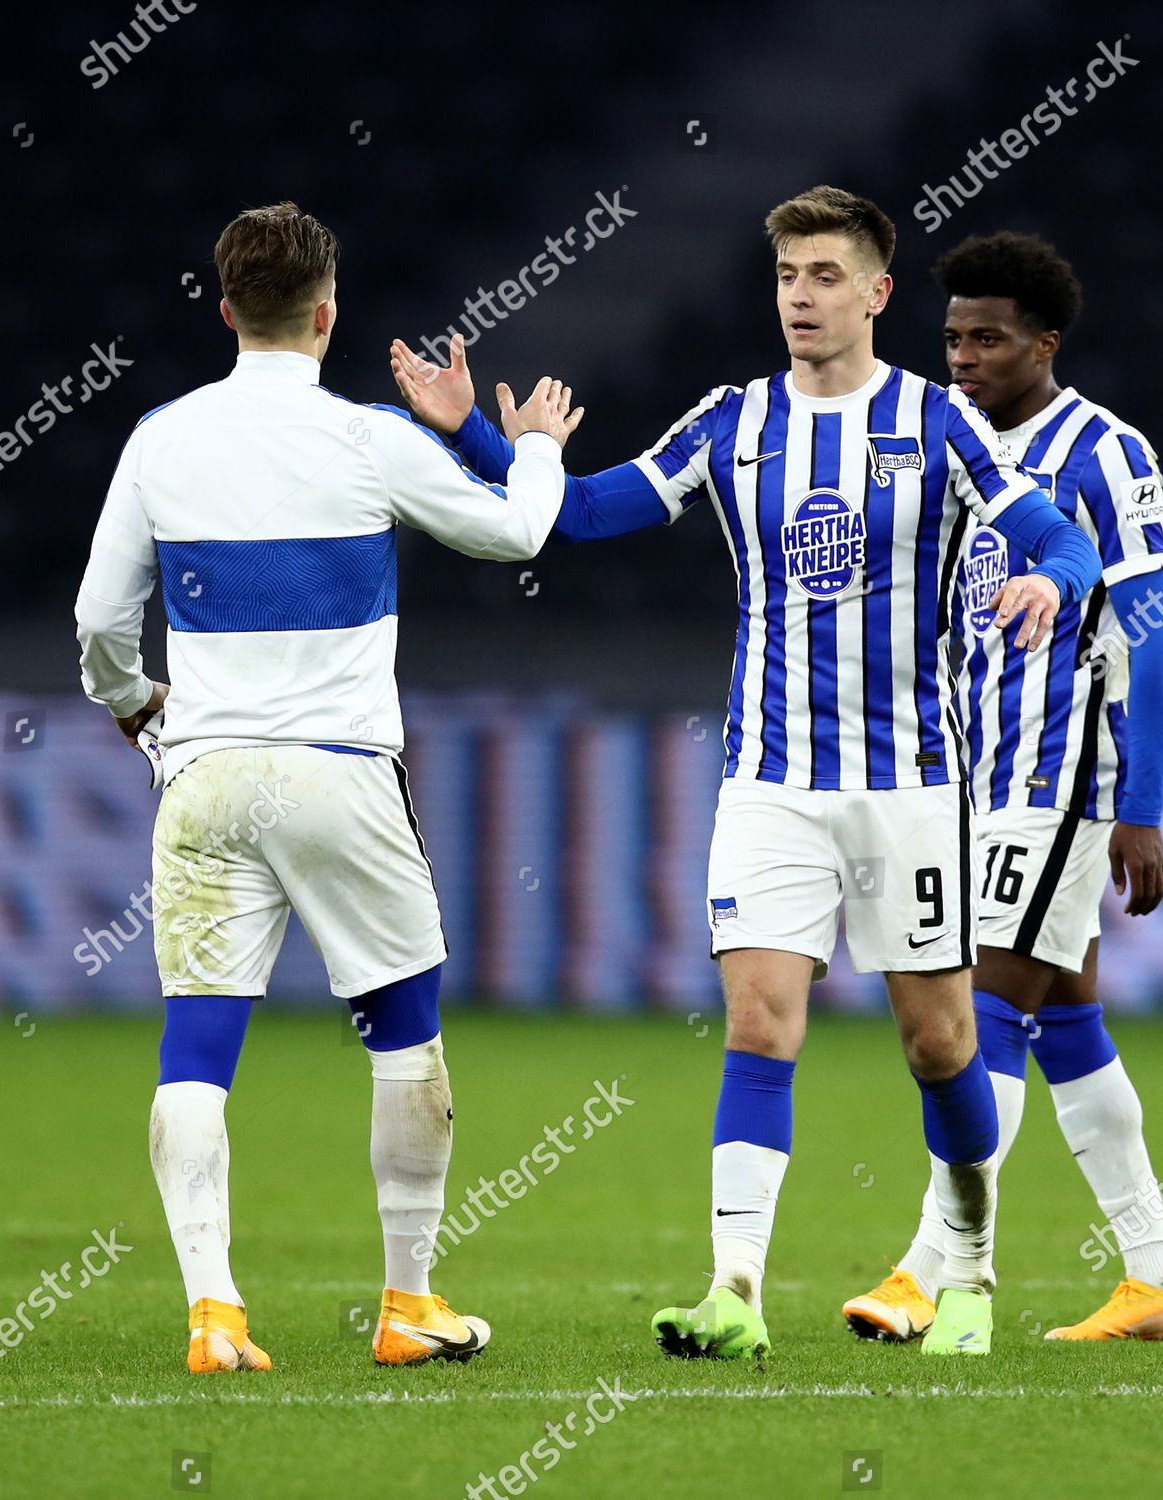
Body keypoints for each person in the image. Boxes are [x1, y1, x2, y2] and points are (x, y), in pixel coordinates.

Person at [390, 186, 1103, 1358]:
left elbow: (1060, 536)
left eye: (826, 276)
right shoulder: (734, 422)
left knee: (940, 1043)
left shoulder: (940, 423)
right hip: (768, 780)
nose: (801, 298)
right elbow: (574, 515)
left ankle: (969, 1270)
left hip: (911, 786)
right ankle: (735, 1291)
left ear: (876, 293)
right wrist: (473, 434)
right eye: (786, 278)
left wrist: (1051, 583)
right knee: (760, 1025)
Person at [75, 201, 579, 1373]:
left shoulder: (161, 437)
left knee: (195, 1046)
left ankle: (215, 1315)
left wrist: (133, 704)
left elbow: (102, 619)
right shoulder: (368, 438)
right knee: (403, 1036)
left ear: (223, 310)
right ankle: (407, 1308)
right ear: (327, 311)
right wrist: (539, 444)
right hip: (342, 772)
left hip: (204, 771)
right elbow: (516, 537)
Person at [844, 231, 1163, 1343]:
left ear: (1044, 343)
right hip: (976, 772)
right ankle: (1157, 1281)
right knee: (1069, 1023)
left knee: (982, 1005)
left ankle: (929, 1268)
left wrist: (1138, 803)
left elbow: (1153, 625)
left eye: (989, 339)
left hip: (1065, 777)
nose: (964, 358)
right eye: (952, 337)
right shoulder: (952, 451)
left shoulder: (1102, 451)